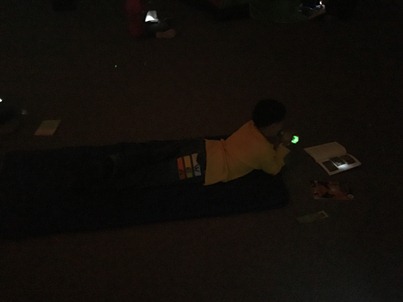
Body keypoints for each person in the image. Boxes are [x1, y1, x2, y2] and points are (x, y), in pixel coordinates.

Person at [95, 99, 293, 191]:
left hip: (202, 147)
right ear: (274, 125)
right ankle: (104, 181)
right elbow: (274, 168)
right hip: (203, 166)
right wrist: (282, 147)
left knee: (158, 154)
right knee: (157, 174)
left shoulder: (249, 126)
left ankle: (118, 161)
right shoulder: (264, 151)